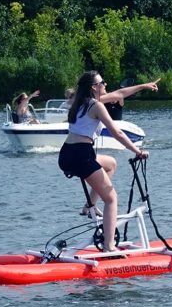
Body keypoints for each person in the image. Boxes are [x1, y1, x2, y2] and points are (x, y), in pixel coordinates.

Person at [58, 71, 158, 253]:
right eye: (102, 82)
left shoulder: (78, 101)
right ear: (94, 88)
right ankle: (109, 245)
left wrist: (143, 86)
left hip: (67, 154)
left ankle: (90, 205)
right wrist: (138, 151)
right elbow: (117, 133)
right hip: (81, 155)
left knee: (110, 164)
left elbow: (120, 94)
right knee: (111, 199)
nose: (105, 84)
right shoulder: (97, 106)